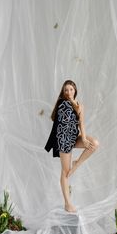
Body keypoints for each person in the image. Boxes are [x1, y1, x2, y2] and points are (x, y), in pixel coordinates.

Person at [45, 80, 99, 213]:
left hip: (74, 137)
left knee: (95, 144)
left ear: (75, 90)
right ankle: (67, 203)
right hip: (64, 140)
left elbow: (82, 124)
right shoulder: (63, 105)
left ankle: (77, 163)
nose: (69, 92)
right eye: (66, 90)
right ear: (63, 93)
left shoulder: (80, 105)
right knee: (65, 172)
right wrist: (73, 104)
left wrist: (85, 139)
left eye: (71, 89)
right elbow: (65, 125)